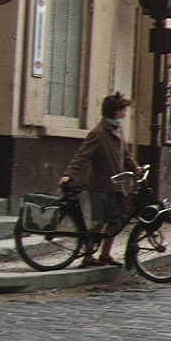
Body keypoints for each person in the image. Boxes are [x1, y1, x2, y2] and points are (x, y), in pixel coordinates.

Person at [59, 92, 142, 267]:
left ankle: (105, 254)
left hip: (117, 184)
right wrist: (69, 174)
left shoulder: (118, 130)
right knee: (99, 222)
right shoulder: (98, 133)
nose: (125, 114)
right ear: (115, 112)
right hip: (100, 186)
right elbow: (81, 156)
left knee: (116, 220)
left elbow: (126, 154)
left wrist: (136, 168)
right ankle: (88, 256)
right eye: (123, 111)